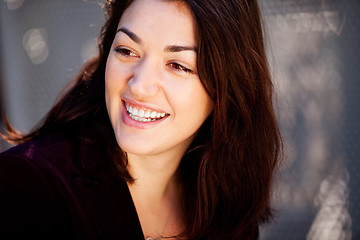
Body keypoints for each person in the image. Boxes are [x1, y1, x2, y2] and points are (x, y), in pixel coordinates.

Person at [0, 0, 282, 239]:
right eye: (126, 51)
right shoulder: (28, 191)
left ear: (227, 88)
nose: (139, 85)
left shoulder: (228, 207)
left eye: (178, 66)